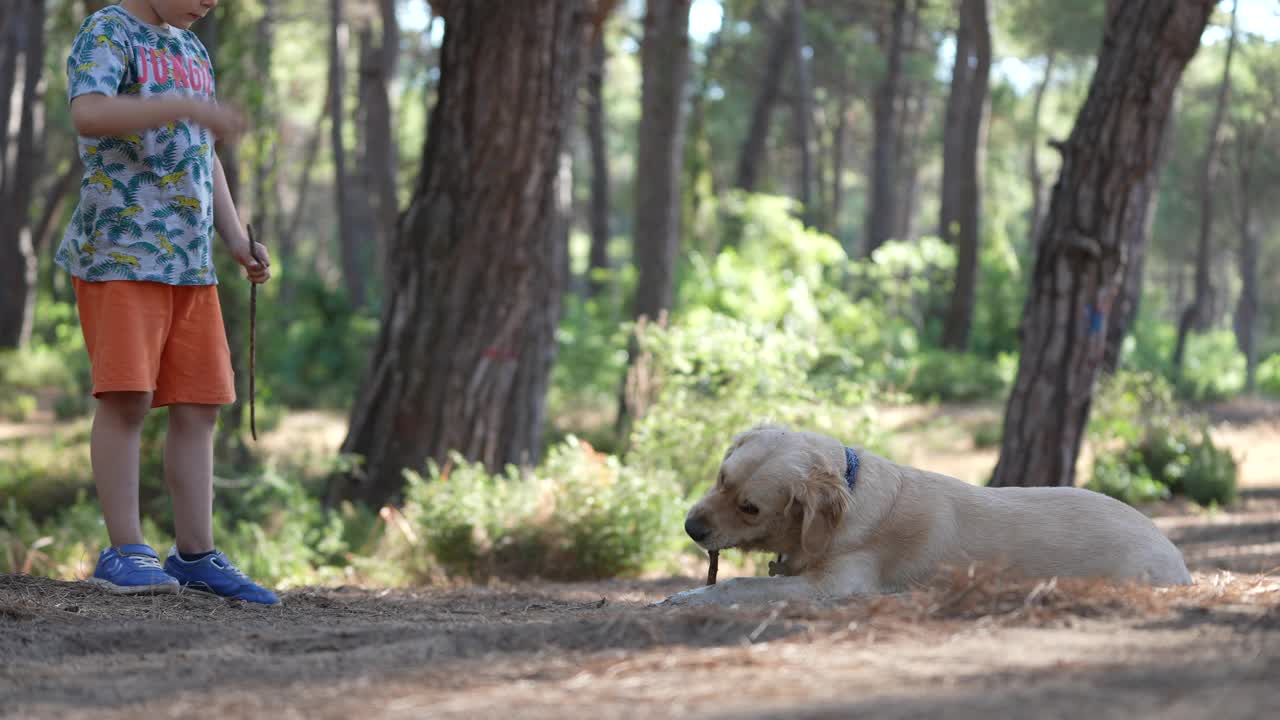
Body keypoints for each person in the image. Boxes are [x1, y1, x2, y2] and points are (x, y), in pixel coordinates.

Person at [55, 0, 278, 605]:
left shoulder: (191, 48)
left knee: (200, 405)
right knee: (128, 398)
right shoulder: (109, 30)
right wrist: (178, 105)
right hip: (122, 253)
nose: (209, 3)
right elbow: (89, 114)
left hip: (189, 264)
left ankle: (195, 553)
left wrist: (234, 239)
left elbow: (203, 153)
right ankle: (124, 550)